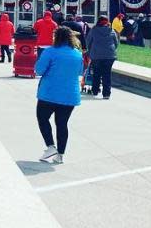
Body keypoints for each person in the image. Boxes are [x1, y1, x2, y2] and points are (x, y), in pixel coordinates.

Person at [34, 26, 83, 165]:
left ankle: (50, 146)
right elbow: (79, 71)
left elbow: (39, 70)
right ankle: (60, 155)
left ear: (56, 37)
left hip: (49, 93)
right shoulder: (77, 54)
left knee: (42, 118)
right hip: (70, 95)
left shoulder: (50, 52)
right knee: (62, 124)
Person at [85, 15, 118, 99]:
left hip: (96, 55)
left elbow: (88, 41)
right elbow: (116, 43)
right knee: (107, 74)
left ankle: (95, 90)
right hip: (110, 55)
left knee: (96, 73)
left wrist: (89, 51)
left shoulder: (94, 30)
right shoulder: (111, 30)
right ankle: (106, 94)